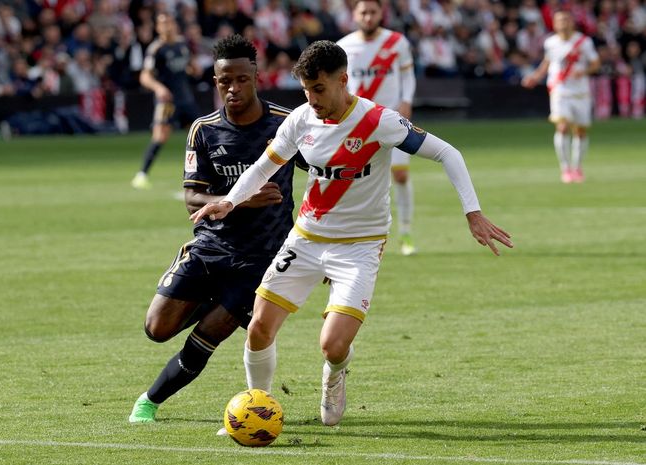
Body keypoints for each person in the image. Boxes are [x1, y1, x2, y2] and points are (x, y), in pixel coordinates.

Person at [191, 41, 513, 427]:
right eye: (306, 90)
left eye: (320, 89)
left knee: (332, 344)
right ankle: (259, 408)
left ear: (343, 80)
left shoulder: (379, 121)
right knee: (259, 326)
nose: (312, 99)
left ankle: (335, 373)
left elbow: (448, 153)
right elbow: (263, 166)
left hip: (360, 246)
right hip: (307, 239)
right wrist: (229, 202)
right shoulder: (300, 119)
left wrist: (472, 212)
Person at [128, 35, 304, 423]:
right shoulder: (203, 130)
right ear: (215, 79)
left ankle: (148, 402)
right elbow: (192, 198)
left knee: (209, 334)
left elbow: (324, 171)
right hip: (210, 248)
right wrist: (241, 198)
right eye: (225, 81)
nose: (233, 88)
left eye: (241, 79)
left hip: (261, 259)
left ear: (256, 77)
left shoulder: (286, 125)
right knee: (156, 329)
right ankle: (214, 300)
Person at [337, 0, 418, 255]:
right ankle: (356, 236)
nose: (368, 17)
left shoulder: (397, 42)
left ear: (381, 13)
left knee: (401, 175)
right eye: (364, 12)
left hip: (393, 119)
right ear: (355, 14)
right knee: (354, 179)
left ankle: (405, 232)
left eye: (373, 12)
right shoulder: (344, 46)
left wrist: (407, 101)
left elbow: (408, 75)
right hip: (359, 123)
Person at [521, 11, 600, 184]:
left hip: (580, 92)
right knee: (562, 126)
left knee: (580, 131)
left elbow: (595, 63)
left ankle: (577, 167)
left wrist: (584, 71)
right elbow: (547, 63)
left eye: (565, 19)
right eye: (559, 20)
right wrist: (535, 77)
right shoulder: (551, 42)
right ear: (555, 24)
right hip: (560, 90)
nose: (562, 23)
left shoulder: (583, 42)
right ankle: (565, 168)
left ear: (572, 22)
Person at [131, 14, 201, 190]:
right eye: (163, 24)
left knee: (200, 137)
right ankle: (141, 175)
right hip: (168, 102)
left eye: (169, 22)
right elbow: (144, 76)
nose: (167, 26)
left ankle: (202, 175)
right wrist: (159, 88)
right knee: (160, 135)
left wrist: (194, 69)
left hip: (186, 99)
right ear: (158, 28)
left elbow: (191, 66)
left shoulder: (182, 45)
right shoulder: (156, 49)